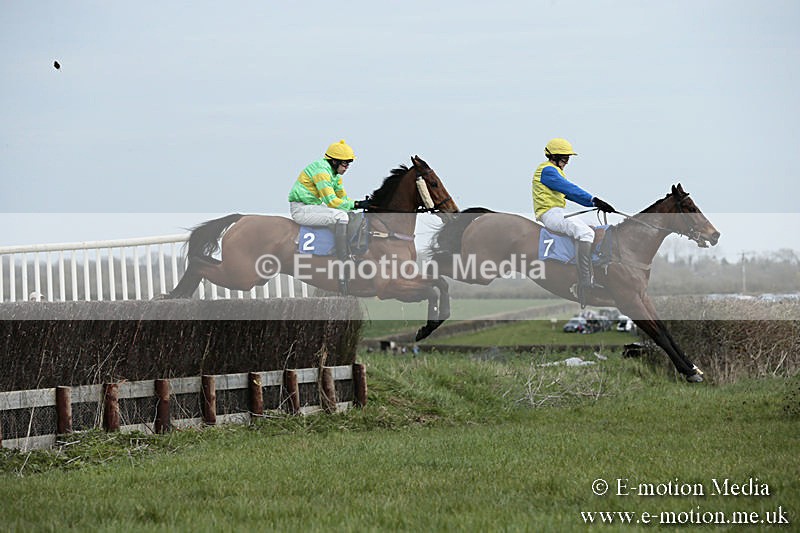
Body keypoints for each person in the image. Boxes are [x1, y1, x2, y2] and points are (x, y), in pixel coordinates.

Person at [532, 138, 616, 307]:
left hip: (558, 212)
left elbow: (571, 194)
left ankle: (596, 262)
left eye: (568, 158)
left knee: (592, 225)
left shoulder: (555, 171)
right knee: (585, 232)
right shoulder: (548, 171)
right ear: (555, 156)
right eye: (565, 157)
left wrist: (595, 204)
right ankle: (585, 280)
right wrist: (593, 199)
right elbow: (569, 188)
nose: (567, 161)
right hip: (549, 214)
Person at [288, 139, 369, 294]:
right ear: (334, 161)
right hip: (301, 209)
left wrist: (360, 204)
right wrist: (358, 204)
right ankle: (343, 260)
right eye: (344, 163)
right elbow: (332, 202)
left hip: (313, 206)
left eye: (349, 164)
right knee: (341, 216)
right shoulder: (322, 172)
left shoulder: (335, 175)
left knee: (345, 214)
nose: (347, 167)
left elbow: (343, 199)